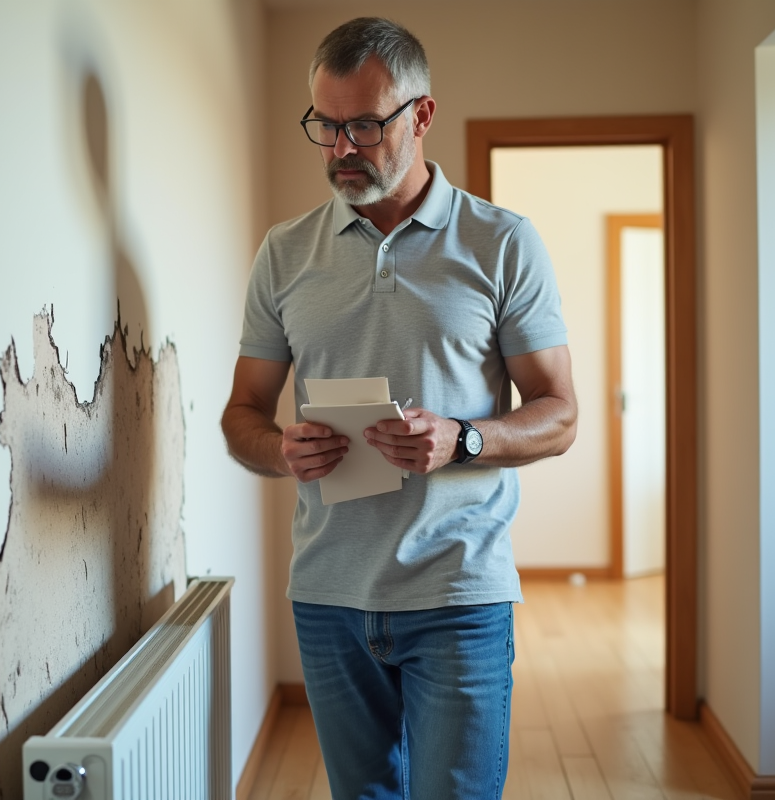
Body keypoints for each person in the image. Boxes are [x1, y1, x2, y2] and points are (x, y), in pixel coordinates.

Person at [221, 16, 577, 800]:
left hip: (459, 595)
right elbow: (241, 415)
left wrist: (466, 439)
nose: (341, 147)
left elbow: (560, 413)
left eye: (365, 124)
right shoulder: (284, 253)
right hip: (327, 597)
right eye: (325, 125)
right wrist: (280, 449)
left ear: (421, 116)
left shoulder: (502, 243)